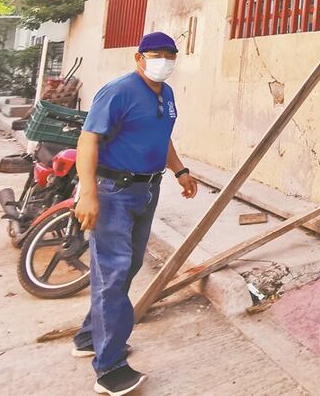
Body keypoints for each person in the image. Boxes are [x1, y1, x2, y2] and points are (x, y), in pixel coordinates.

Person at [72, 32, 198, 396]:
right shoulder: (119, 91)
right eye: (155, 54)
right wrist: (89, 192)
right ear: (138, 57)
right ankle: (109, 367)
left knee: (126, 267)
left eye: (169, 55)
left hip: (147, 189)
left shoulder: (166, 94)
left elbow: (162, 136)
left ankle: (88, 337)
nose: (163, 61)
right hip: (113, 191)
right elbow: (88, 139)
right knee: (112, 271)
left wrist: (180, 170)